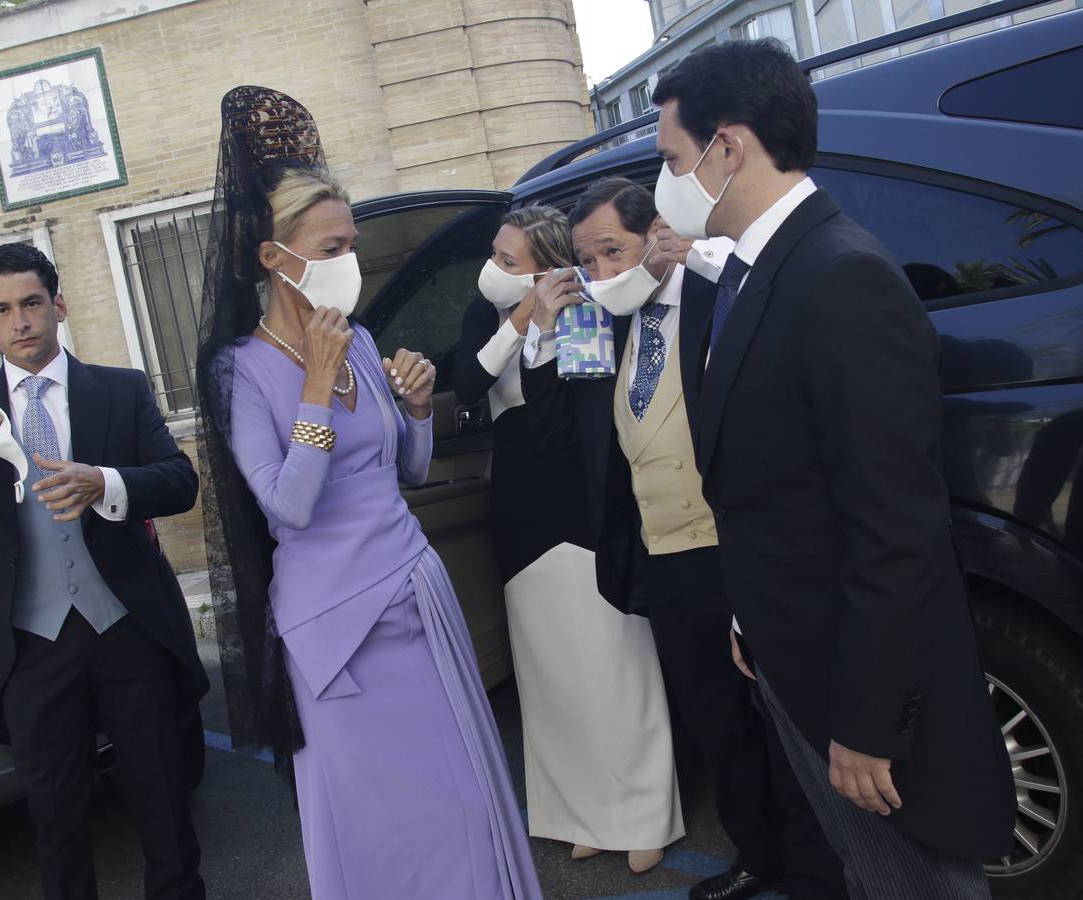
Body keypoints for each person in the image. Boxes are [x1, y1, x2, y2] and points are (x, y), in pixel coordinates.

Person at [650, 39, 1015, 898]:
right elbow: (768, 486)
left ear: (727, 147)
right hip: (788, 648)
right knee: (865, 871)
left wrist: (868, 720)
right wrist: (751, 617)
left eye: (672, 159)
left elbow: (895, 526)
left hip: (858, 690)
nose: (665, 187)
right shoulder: (750, 273)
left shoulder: (840, 276)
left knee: (914, 882)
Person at [194, 86, 541, 900]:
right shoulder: (237, 371)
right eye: (334, 244)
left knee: (460, 801)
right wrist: (314, 389)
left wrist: (417, 411)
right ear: (275, 258)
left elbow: (408, 470)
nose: (350, 259)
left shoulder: (362, 340)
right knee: (384, 823)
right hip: (334, 633)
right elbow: (286, 506)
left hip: (416, 599)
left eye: (350, 241)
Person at [520, 177, 839, 900]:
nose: (601, 271)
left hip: (737, 550)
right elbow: (558, 436)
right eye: (587, 259)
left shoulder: (713, 296)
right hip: (662, 559)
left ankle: (821, 873)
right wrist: (545, 332)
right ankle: (758, 857)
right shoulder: (596, 324)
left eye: (612, 251)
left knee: (781, 724)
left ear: (655, 235)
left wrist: (703, 260)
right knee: (713, 723)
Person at [0, 242, 208, 900]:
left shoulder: (119, 389)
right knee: (56, 821)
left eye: (31, 303)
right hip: (30, 644)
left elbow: (179, 481)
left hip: (128, 629)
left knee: (164, 805)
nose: (20, 320)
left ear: (57, 305)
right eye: (1, 309)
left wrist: (106, 483)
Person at [454, 205, 684, 873]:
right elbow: (465, 385)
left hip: (580, 503)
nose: (492, 269)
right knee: (549, 670)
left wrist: (551, 324)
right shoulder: (483, 316)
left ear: (549, 268)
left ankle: (642, 813)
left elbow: (567, 422)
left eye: (507, 259)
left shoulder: (586, 313)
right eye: (494, 254)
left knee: (613, 665)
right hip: (518, 507)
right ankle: (580, 812)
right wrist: (520, 323)